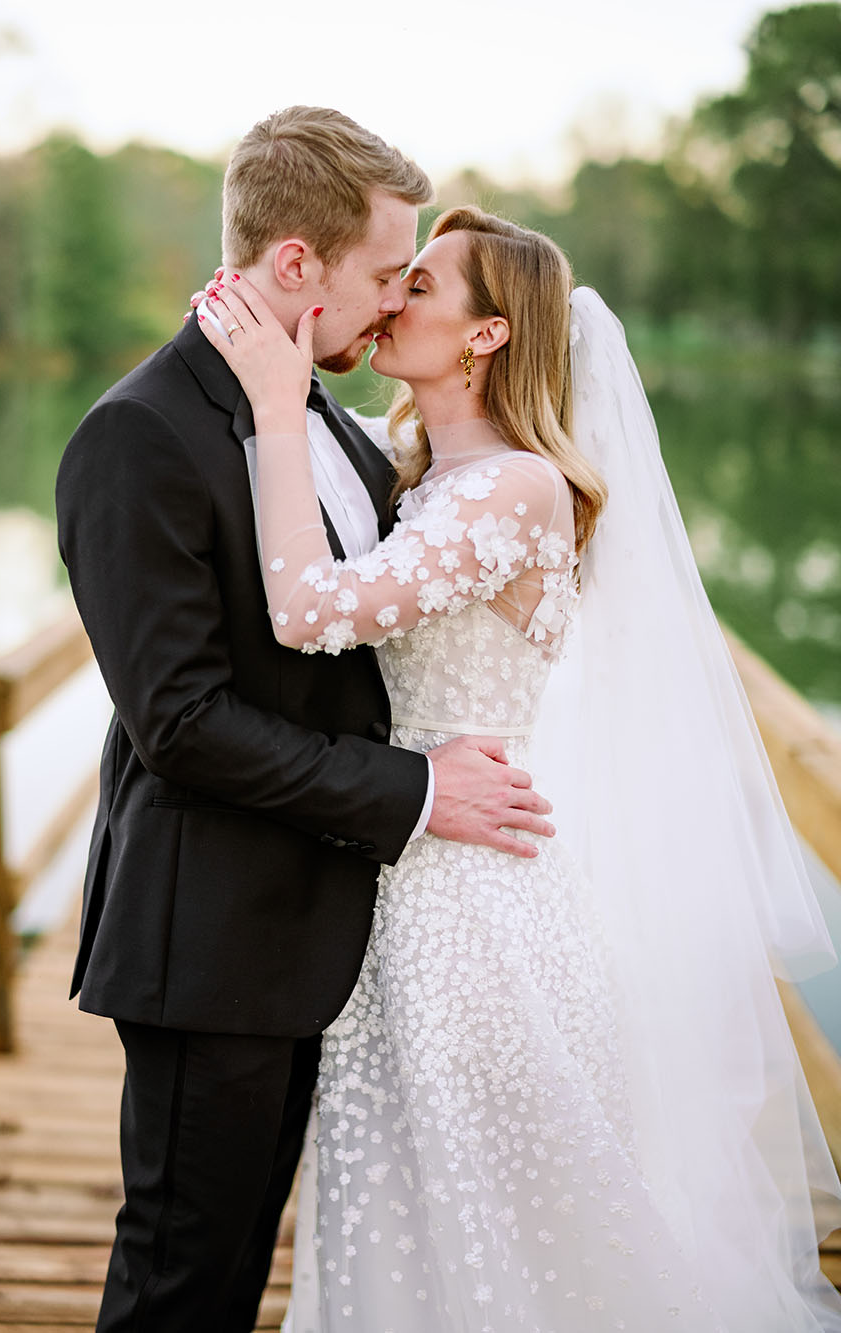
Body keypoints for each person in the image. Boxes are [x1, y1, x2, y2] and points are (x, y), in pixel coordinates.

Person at [198, 205, 841, 1329]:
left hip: (473, 905)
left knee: (489, 1208)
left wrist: (273, 405)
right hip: (397, 872)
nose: (391, 301)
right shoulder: (418, 469)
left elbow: (308, 612)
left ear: (488, 336)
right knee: (397, 1198)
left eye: (421, 287)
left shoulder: (519, 487)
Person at [55, 110, 558, 1333]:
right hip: (209, 945)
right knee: (182, 1284)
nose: (391, 307)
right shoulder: (141, 435)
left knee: (242, 1282)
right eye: (387, 274)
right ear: (295, 266)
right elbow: (180, 722)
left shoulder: (330, 419)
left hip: (323, 938)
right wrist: (419, 789)